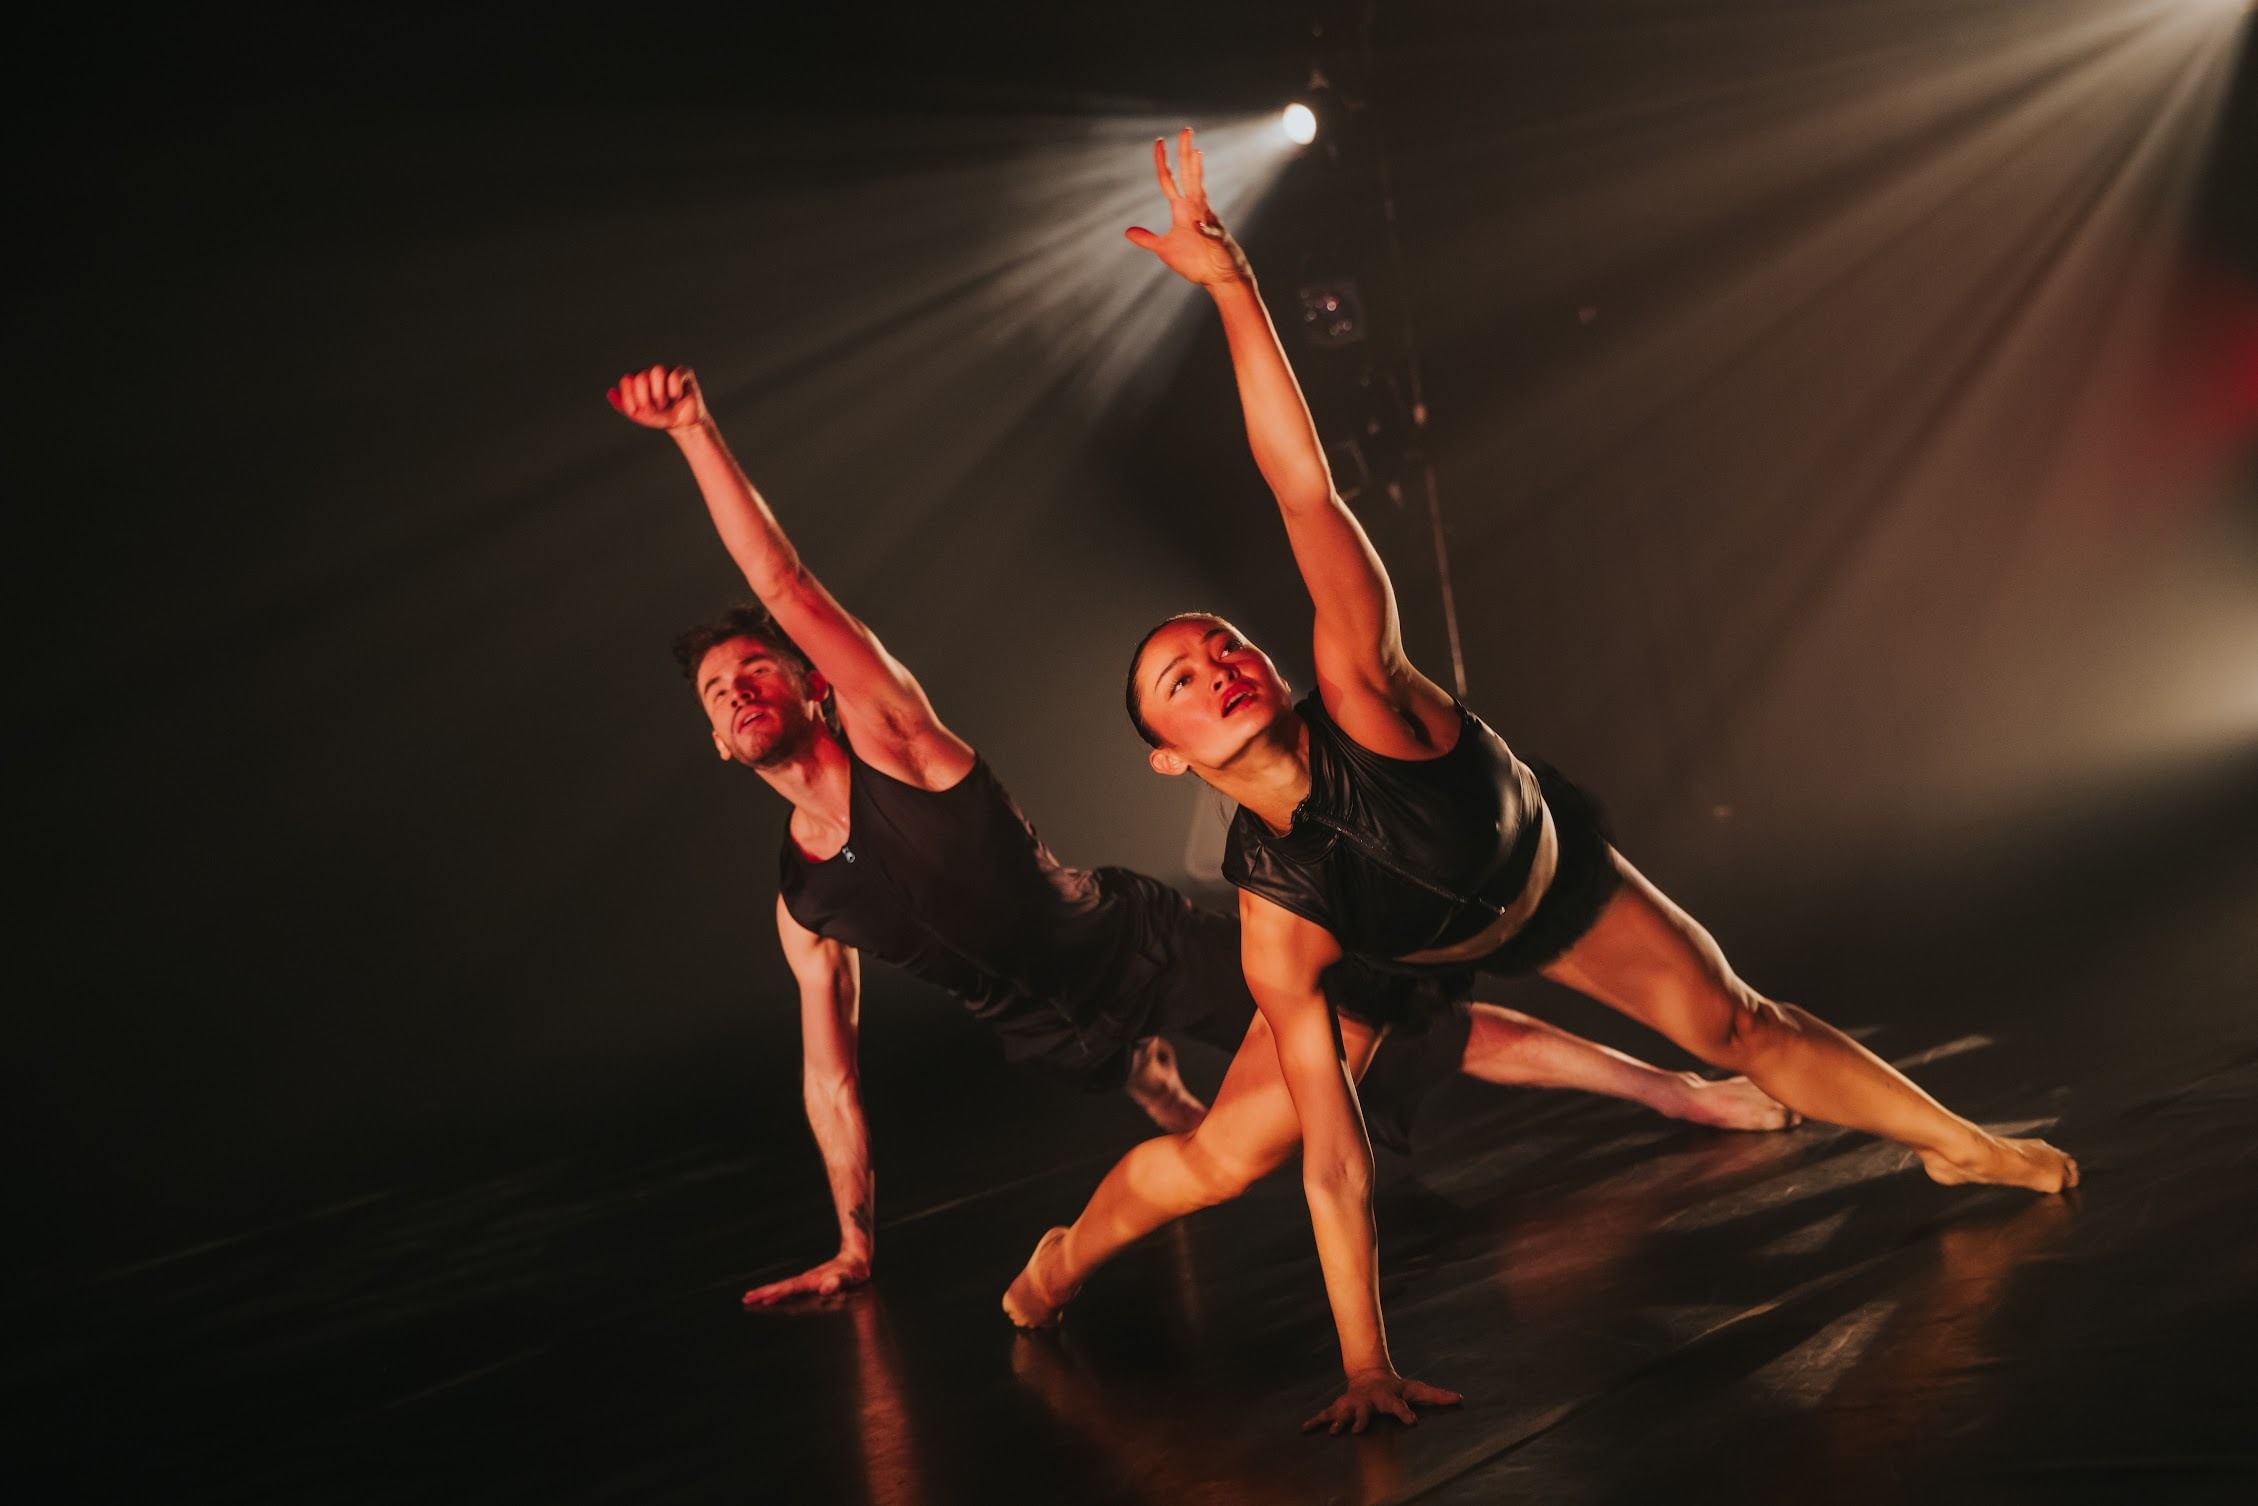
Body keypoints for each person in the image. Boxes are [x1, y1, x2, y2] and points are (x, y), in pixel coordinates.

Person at [1089, 129, 2080, 1434]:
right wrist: (1364, 1361)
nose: (1212, 663)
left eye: (1218, 641)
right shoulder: (1279, 916)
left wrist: (1233, 290)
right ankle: (1052, 1266)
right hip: (1383, 944)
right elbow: (1338, 1160)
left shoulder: (1359, 684)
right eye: (1176, 679)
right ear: (1169, 755)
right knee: (1226, 1159)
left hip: (1530, 882)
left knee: (1738, 1023)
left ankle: (1954, 1138)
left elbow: (1300, 485)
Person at [605, 365, 1793, 1312]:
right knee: (1166, 1107)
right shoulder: (801, 902)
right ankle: (1176, 1104)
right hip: (1047, 1034)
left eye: (755, 667)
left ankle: (1675, 1093)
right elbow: (830, 1081)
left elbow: (787, 577)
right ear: (715, 744)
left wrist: (694, 432)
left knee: (1409, 1026)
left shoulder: (894, 740)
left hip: (1137, 945)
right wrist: (853, 1245)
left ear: (811, 686)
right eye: (715, 693)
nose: (737, 691)